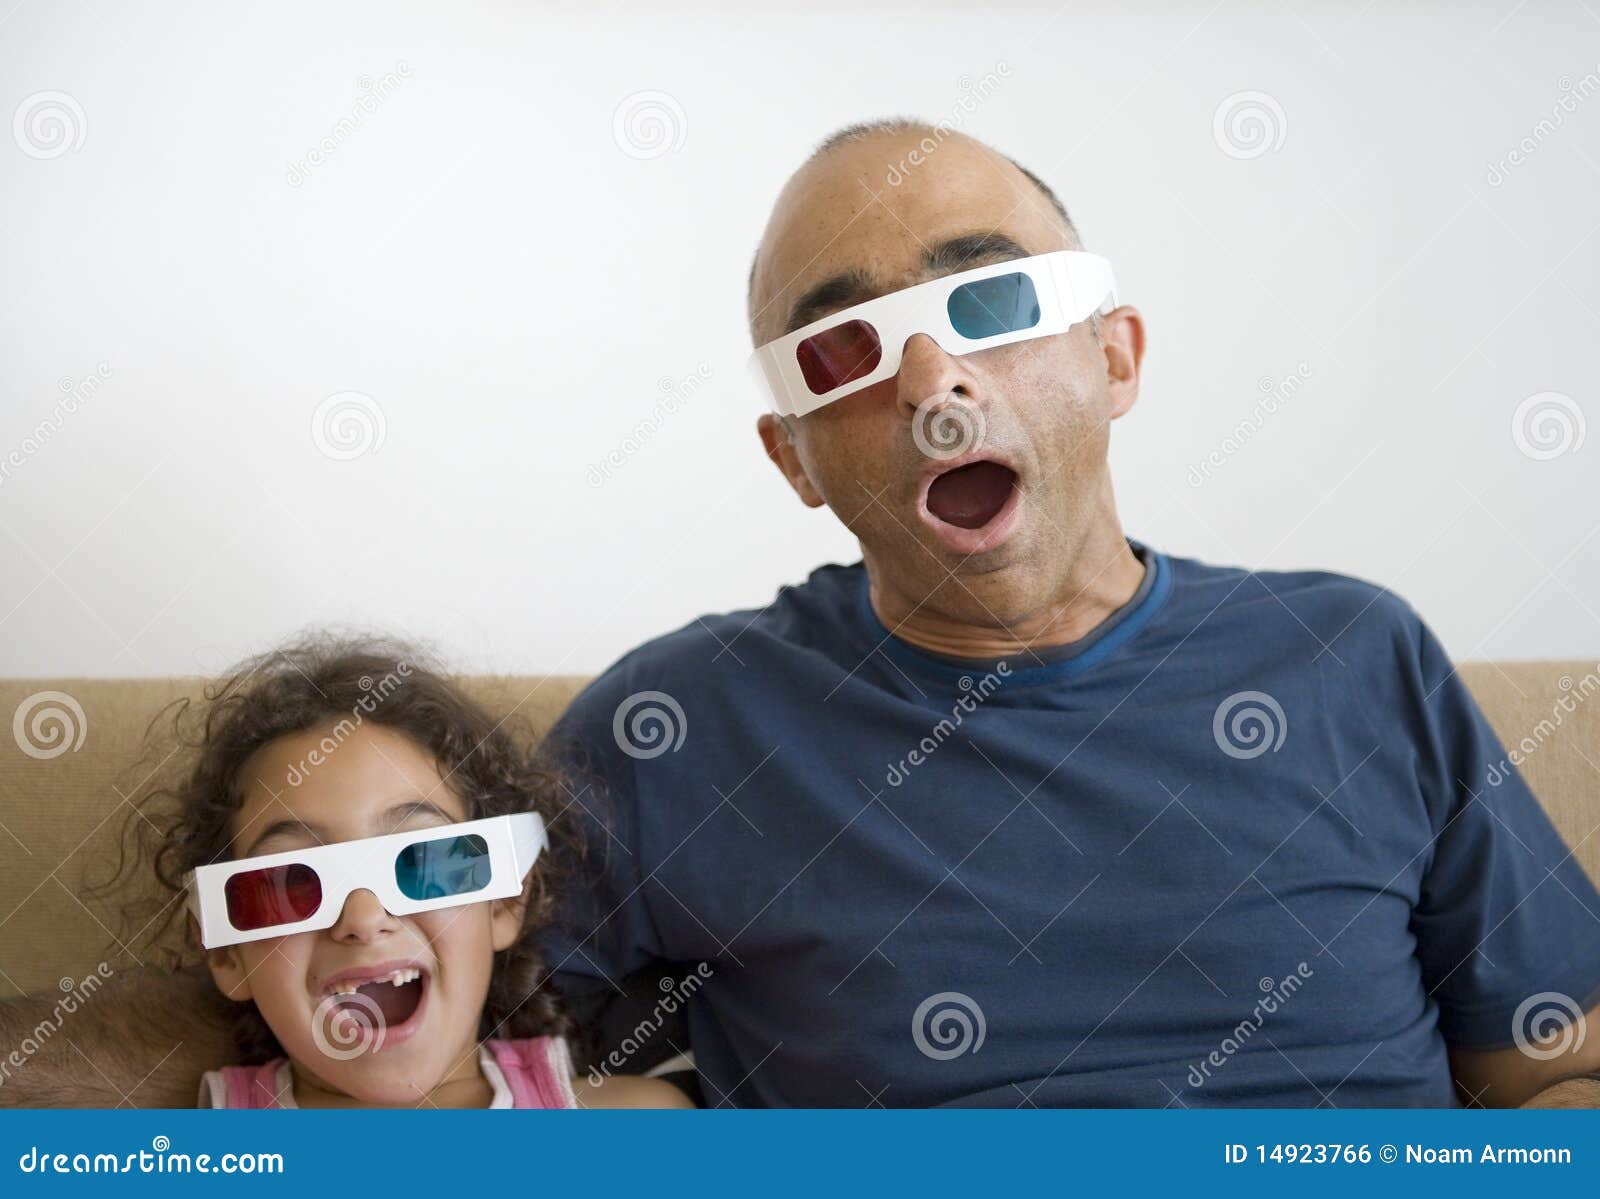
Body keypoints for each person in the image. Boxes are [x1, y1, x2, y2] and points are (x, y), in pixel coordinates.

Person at [3, 120, 1597, 1108]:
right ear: (794, 457)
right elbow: (402, 999)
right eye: (842, 355)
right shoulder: (680, 727)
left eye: (990, 301)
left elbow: (1556, 1066)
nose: (930, 376)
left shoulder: (1351, 655)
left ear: (1115, 353)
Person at [18, 635, 689, 1109]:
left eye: (421, 859)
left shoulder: (635, 1126)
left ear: (505, 901)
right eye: (293, 881)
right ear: (226, 951)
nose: (364, 917)